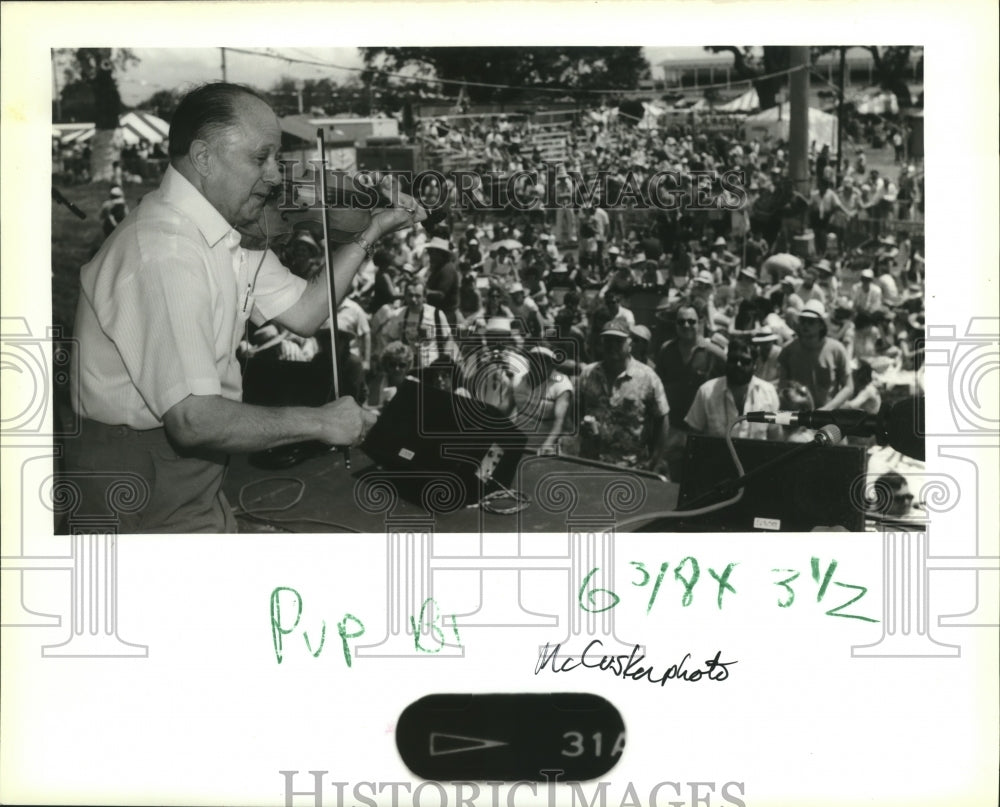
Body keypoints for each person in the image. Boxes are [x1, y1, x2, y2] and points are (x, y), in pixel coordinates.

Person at [66, 82, 422, 532]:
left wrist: (373, 231)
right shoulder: (164, 253)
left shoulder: (225, 235)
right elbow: (194, 420)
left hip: (189, 472)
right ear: (204, 158)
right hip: (140, 475)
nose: (275, 175)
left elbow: (307, 312)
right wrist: (320, 422)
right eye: (261, 158)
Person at [576, 320, 669, 471]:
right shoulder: (588, 373)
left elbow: (662, 418)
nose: (612, 346)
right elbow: (576, 408)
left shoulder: (648, 377)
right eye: (608, 341)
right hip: (589, 462)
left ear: (629, 343)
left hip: (630, 466)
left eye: (618, 341)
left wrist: (654, 460)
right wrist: (582, 426)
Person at [684, 336, 783, 441]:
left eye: (745, 361)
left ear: (755, 365)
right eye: (733, 359)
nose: (738, 365)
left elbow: (775, 438)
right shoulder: (706, 392)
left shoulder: (768, 392)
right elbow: (693, 437)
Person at [777, 299, 854, 410]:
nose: (805, 325)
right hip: (796, 416)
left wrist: (828, 408)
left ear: (821, 325)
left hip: (826, 417)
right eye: (803, 320)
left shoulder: (836, 349)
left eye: (811, 321)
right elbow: (782, 383)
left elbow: (848, 387)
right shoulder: (788, 349)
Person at [510, 346, 574, 455]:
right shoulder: (519, 380)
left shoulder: (561, 386)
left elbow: (559, 422)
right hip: (518, 441)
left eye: (544, 361)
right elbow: (507, 408)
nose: (538, 364)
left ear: (552, 365)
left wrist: (547, 444)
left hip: (543, 444)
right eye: (535, 360)